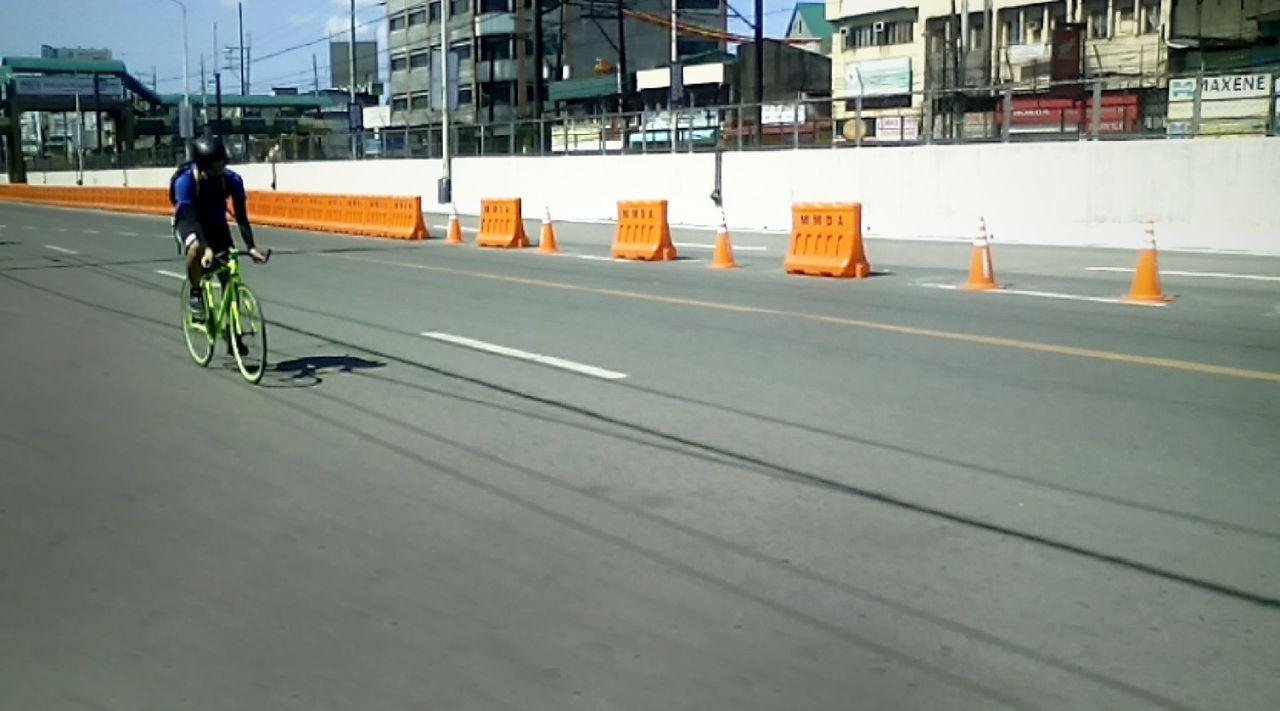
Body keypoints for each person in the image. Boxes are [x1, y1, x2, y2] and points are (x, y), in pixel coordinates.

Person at [172, 135, 267, 355]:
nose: (220, 170)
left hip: (216, 224)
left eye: (222, 164)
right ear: (203, 166)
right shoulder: (185, 182)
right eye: (215, 167)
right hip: (189, 222)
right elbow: (190, 216)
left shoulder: (232, 179)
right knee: (196, 248)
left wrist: (251, 246)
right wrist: (206, 248)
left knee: (229, 275)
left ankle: (233, 334)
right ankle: (196, 291)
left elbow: (241, 216)